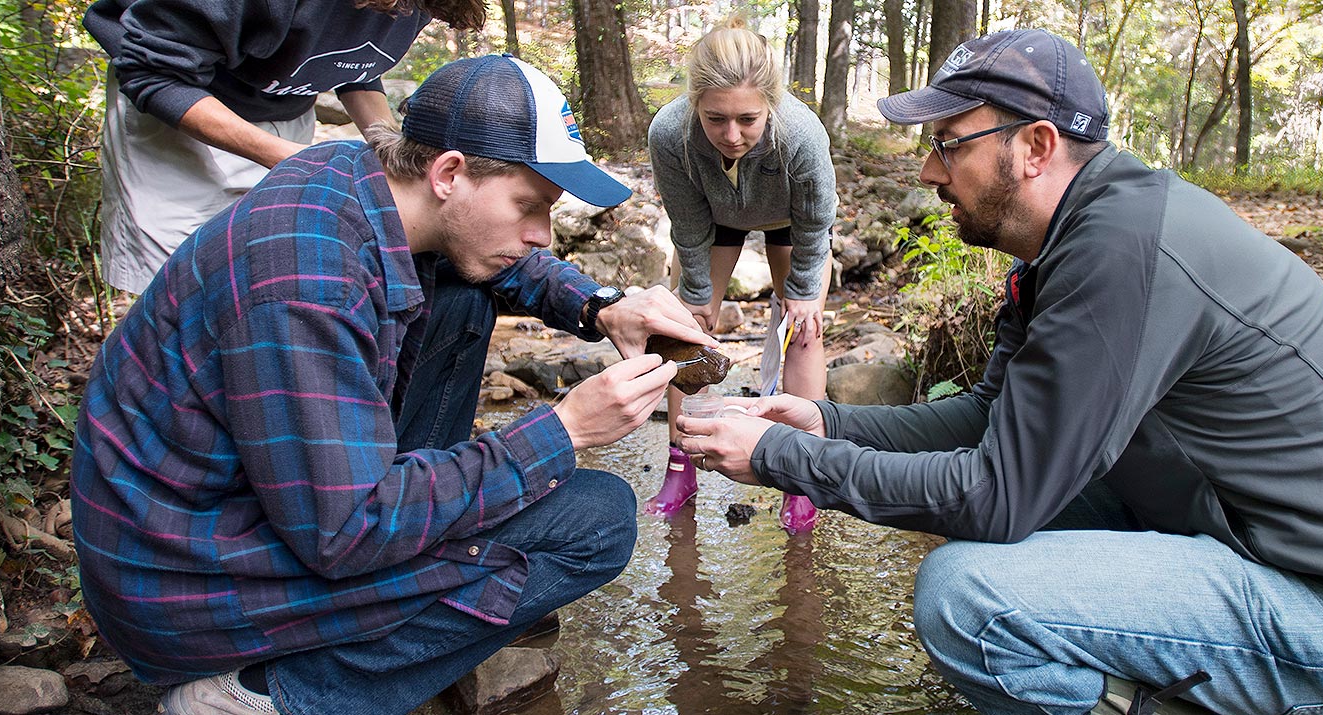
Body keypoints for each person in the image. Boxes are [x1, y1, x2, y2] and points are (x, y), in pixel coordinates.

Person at [679, 29, 1323, 715]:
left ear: (1035, 146)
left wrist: (783, 460)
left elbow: (998, 497)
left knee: (968, 597)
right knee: (1006, 513)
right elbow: (993, 418)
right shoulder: (1078, 239)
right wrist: (829, 423)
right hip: (1257, 541)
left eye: (948, 145)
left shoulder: (1119, 253)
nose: (929, 173)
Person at [71, 55, 714, 715]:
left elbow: (507, 265)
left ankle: (438, 601)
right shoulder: (306, 281)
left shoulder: (361, 178)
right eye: (530, 205)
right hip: (182, 584)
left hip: (226, 523)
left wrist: (602, 305)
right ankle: (267, 693)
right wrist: (564, 430)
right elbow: (348, 529)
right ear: (450, 172)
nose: (541, 234)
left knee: (464, 289)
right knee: (597, 519)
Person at [83, 0, 487, 294]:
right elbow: (154, 70)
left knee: (266, 266)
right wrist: (297, 161)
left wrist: (391, 149)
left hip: (284, 105)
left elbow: (350, 61)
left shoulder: (423, 5)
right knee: (178, 279)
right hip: (180, 105)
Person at [646, 17, 837, 532]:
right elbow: (686, 220)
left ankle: (802, 476)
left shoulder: (800, 134)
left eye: (748, 120)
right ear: (695, 106)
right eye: (716, 120)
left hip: (792, 224)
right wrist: (697, 294)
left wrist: (800, 294)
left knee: (802, 333)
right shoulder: (670, 132)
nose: (732, 136)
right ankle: (680, 467)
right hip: (715, 219)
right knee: (682, 330)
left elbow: (817, 220)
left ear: (770, 105)